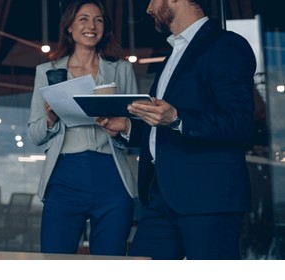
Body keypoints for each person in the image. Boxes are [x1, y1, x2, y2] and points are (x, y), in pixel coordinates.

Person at [97, 0, 255, 259]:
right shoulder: (173, 53)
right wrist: (127, 127)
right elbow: (164, 124)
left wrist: (178, 118)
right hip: (161, 198)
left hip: (209, 199)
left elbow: (240, 123)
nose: (148, 9)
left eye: (152, 0)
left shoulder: (226, 45)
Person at [27, 0, 138, 256]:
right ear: (69, 27)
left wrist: (121, 128)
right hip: (64, 177)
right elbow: (34, 135)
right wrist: (51, 119)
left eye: (98, 19)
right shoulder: (47, 71)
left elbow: (136, 128)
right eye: (84, 19)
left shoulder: (121, 69)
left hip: (112, 175)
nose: (92, 25)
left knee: (110, 264)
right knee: (56, 261)